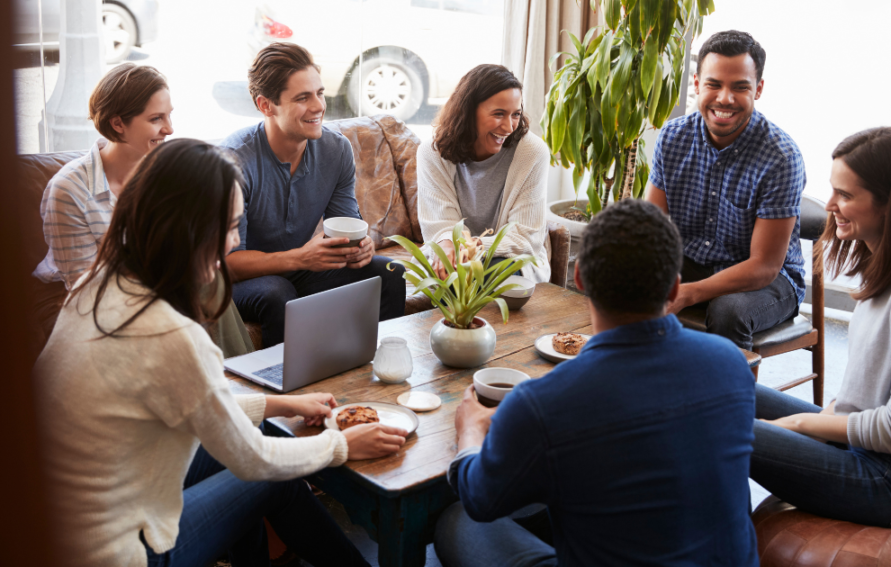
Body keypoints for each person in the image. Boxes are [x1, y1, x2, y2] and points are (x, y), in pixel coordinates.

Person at [33, 139, 408, 567]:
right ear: (187, 230)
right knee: (272, 478)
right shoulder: (168, 332)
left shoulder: (100, 282)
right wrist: (339, 444)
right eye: (229, 227)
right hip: (115, 550)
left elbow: (198, 401)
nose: (232, 242)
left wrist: (278, 403)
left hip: (55, 519)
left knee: (265, 436)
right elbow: (253, 459)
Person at [435, 199, 758, 567]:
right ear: (674, 289)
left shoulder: (543, 403)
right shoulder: (732, 362)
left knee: (458, 521)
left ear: (579, 279)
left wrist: (470, 432)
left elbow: (480, 499)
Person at [33, 63, 253, 357]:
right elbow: (86, 288)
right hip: (78, 296)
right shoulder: (70, 190)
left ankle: (240, 379)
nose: (170, 128)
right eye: (156, 118)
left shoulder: (164, 171)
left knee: (212, 280)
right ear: (118, 124)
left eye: (169, 115)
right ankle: (230, 388)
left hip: (150, 279)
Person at [751, 127, 891, 527]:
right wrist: (814, 424)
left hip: (888, 481)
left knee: (722, 426)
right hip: (860, 448)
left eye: (846, 195)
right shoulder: (880, 270)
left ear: (890, 204)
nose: (829, 204)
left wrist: (797, 425)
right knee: (721, 387)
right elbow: (863, 393)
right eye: (834, 190)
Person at [221, 43, 406, 348]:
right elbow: (227, 264)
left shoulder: (336, 150)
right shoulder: (234, 161)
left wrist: (362, 248)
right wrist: (299, 257)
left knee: (388, 272)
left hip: (300, 267)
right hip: (244, 281)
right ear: (266, 105)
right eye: (302, 98)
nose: (319, 106)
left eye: (319, 93)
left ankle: (379, 369)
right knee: (276, 294)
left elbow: (346, 226)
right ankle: (284, 391)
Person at [646, 30, 806, 350]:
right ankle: (643, 389)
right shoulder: (673, 137)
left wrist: (689, 292)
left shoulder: (782, 157)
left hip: (769, 280)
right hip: (690, 261)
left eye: (740, 87)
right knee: (622, 277)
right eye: (714, 84)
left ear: (758, 89)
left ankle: (723, 398)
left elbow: (764, 266)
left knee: (728, 312)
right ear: (696, 83)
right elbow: (651, 229)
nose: (725, 99)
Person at [417, 64, 550, 283]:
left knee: (479, 275)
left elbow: (525, 238)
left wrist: (474, 247)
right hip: (455, 258)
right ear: (468, 113)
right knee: (447, 274)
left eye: (515, 114)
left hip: (509, 259)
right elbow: (440, 225)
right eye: (499, 114)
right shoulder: (432, 152)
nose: (509, 127)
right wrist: (448, 246)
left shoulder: (532, 153)